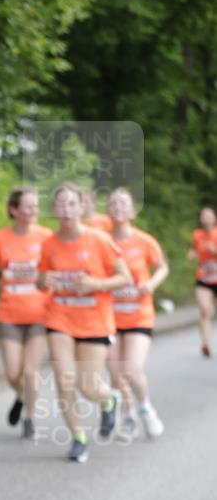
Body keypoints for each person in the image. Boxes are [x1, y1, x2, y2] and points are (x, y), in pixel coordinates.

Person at [37, 183, 132, 463]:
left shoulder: (99, 240)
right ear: (54, 209)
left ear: (81, 207)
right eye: (61, 204)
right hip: (60, 318)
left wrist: (96, 284)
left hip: (94, 322)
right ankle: (78, 437)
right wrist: (44, 281)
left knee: (88, 386)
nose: (65, 210)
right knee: (64, 380)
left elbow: (124, 277)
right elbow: (40, 281)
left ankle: (108, 400)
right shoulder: (48, 244)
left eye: (71, 204)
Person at [0, 188, 52, 439]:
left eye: (36, 206)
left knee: (30, 371)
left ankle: (29, 417)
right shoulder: (0, 238)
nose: (34, 211)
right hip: (9, 314)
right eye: (28, 206)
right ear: (14, 210)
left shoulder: (46, 237)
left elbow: (59, 264)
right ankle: (22, 396)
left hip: (40, 314)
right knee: (13, 373)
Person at [106, 188, 168, 439]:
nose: (118, 208)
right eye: (113, 204)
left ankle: (146, 409)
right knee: (115, 373)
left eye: (123, 204)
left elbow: (162, 267)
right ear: (108, 211)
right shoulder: (102, 242)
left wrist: (151, 285)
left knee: (131, 370)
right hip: (108, 318)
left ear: (132, 212)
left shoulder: (144, 241)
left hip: (138, 315)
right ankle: (127, 415)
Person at [187, 205, 217, 357]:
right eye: (203, 215)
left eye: (208, 215)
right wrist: (191, 254)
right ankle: (205, 343)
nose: (205, 218)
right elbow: (194, 247)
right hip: (204, 278)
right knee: (205, 310)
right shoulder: (197, 234)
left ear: (214, 218)